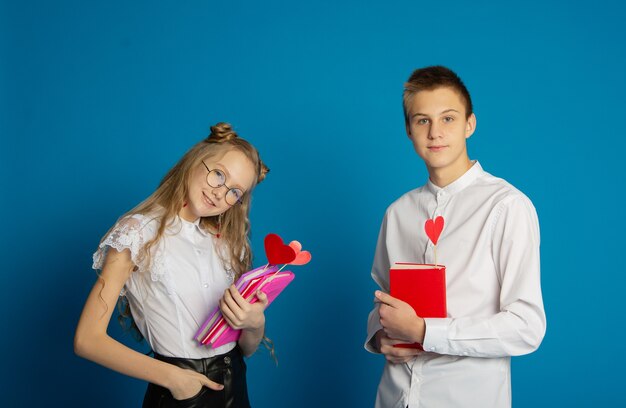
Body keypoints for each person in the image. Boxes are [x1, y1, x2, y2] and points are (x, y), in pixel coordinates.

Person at [365, 66, 546, 408]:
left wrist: (423, 332)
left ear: (469, 124)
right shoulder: (397, 213)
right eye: (422, 120)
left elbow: (526, 327)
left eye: (447, 118)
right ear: (408, 130)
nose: (435, 132)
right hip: (395, 396)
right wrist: (379, 335)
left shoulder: (506, 206)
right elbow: (384, 300)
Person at [75, 122, 270, 408]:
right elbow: (87, 339)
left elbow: (245, 349)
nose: (220, 193)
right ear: (196, 159)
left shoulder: (227, 244)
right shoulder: (136, 233)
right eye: (218, 174)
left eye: (234, 192)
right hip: (181, 394)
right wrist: (174, 378)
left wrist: (255, 323)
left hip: (237, 388)